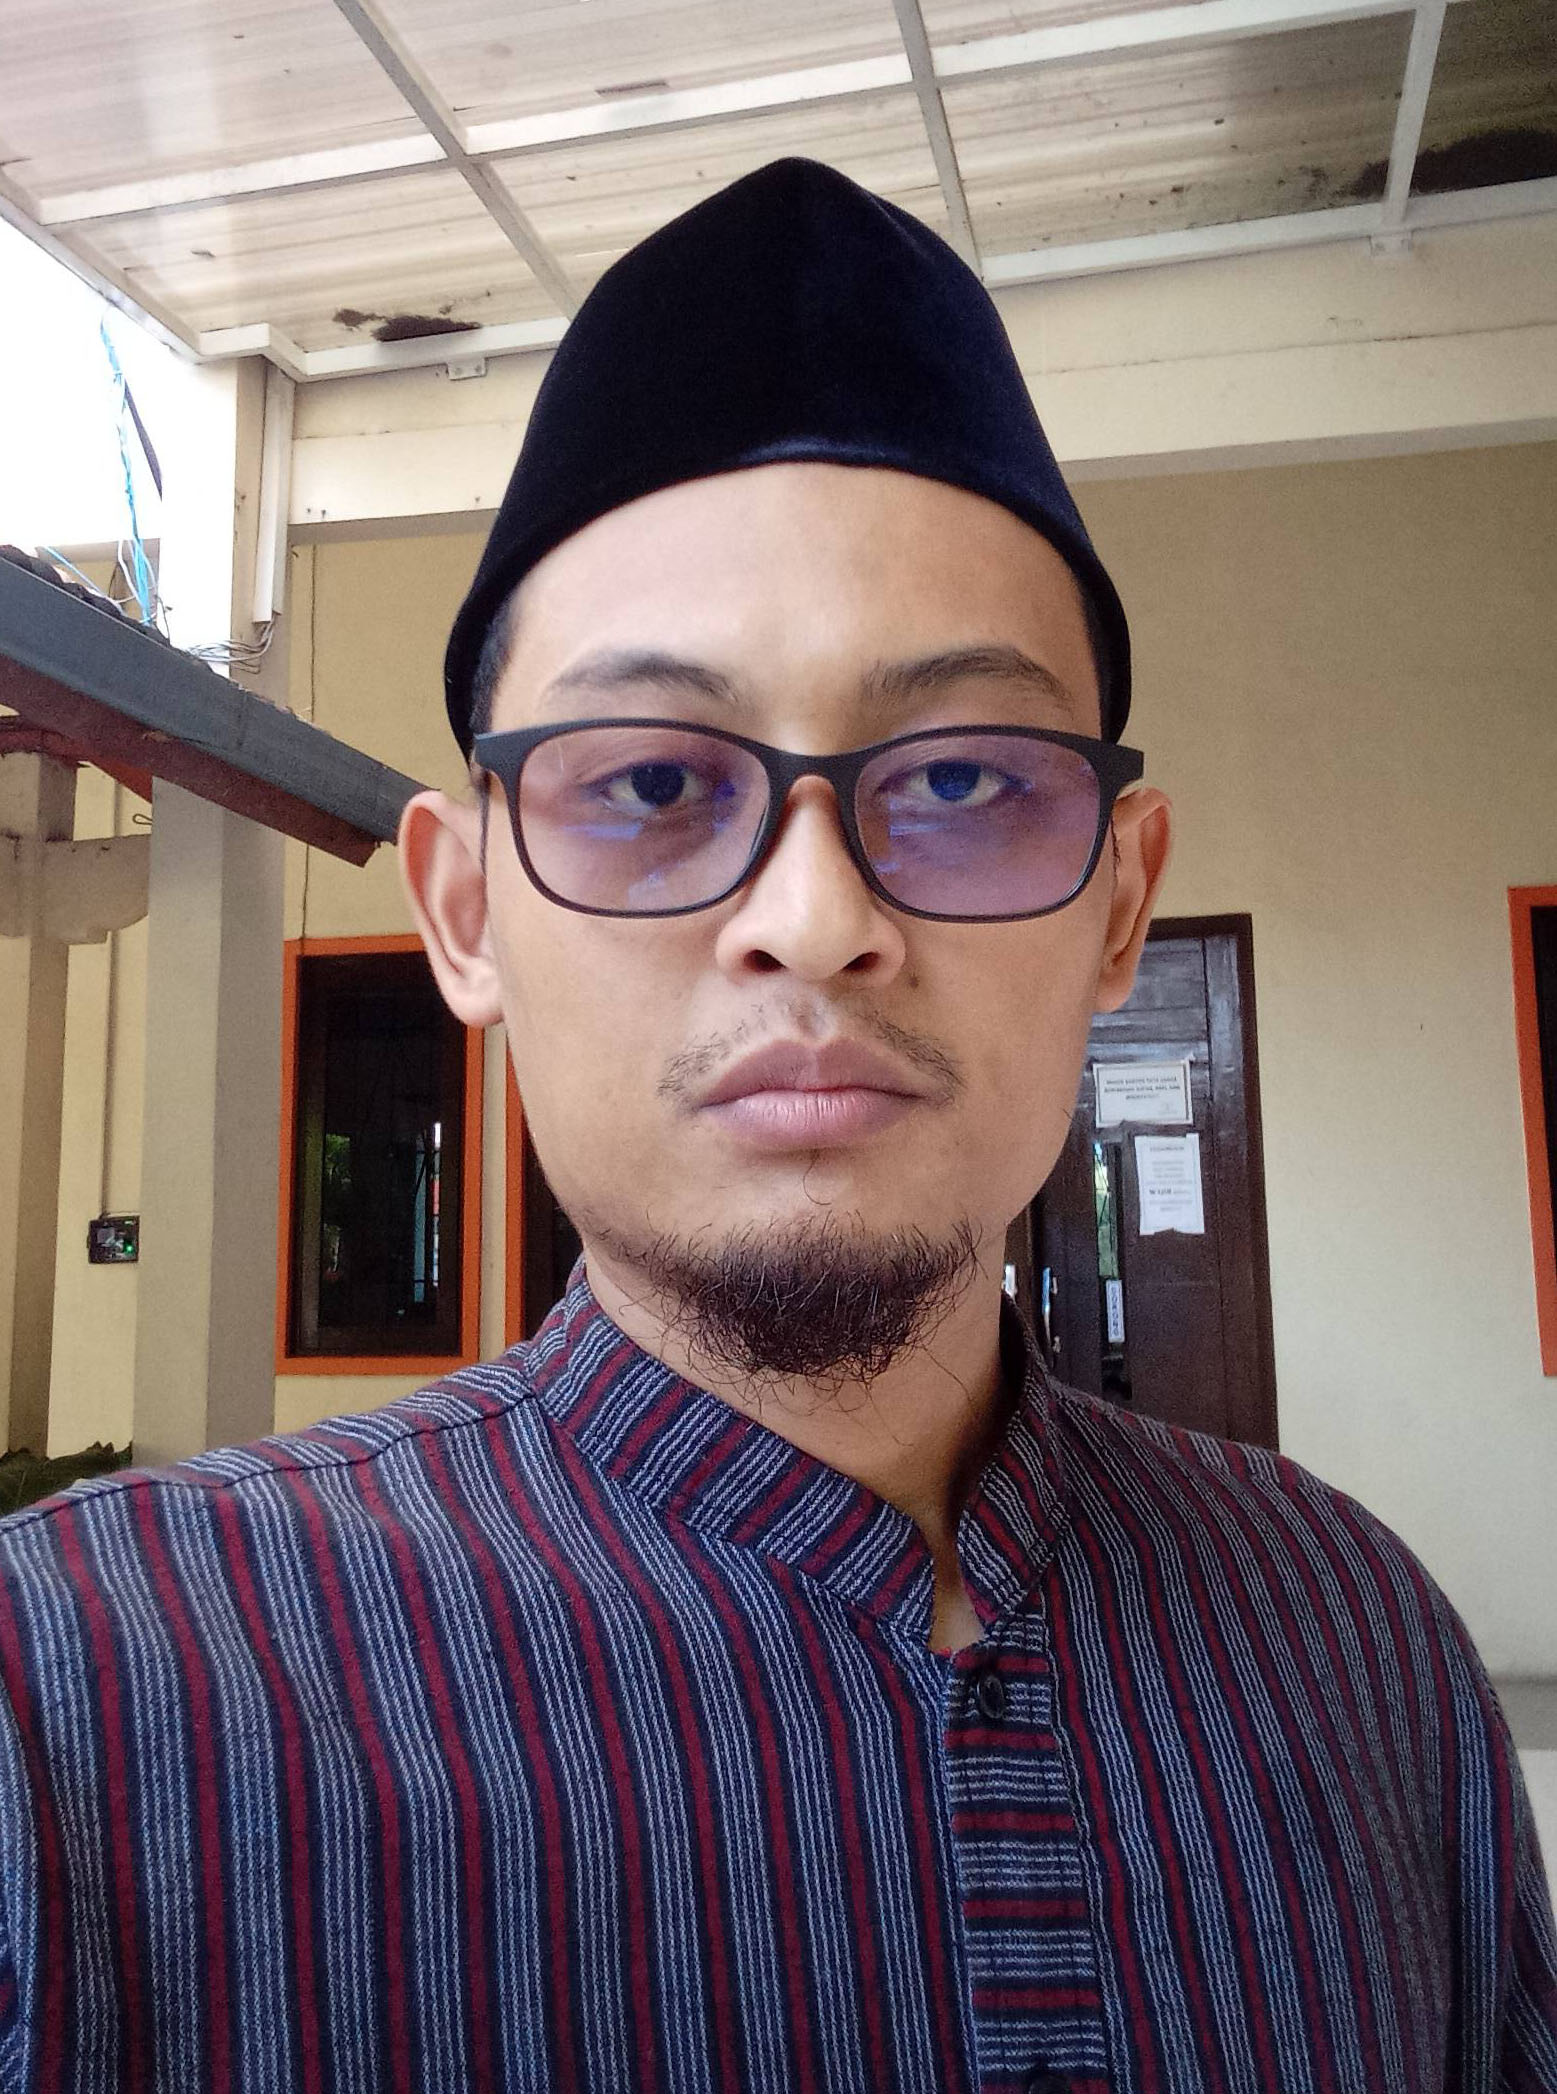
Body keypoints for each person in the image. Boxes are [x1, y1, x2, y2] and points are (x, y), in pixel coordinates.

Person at [0, 157, 1552, 2094]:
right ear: (467, 916)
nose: (813, 919)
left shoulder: (1357, 1645)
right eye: (653, 782)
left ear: (1119, 904)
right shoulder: (79, 1709)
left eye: (962, 780)